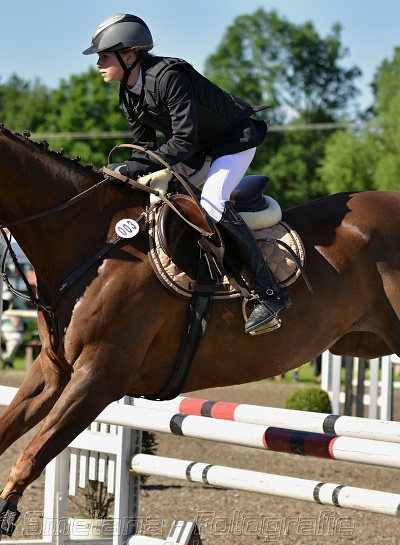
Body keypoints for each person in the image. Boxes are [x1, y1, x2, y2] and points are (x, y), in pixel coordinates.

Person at [84, 13, 291, 335]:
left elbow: (182, 140)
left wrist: (134, 166)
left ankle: (269, 293)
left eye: (104, 55)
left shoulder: (168, 76)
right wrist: (126, 170)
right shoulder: (128, 92)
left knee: (211, 204)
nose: (98, 63)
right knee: (150, 194)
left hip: (232, 141)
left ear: (129, 54)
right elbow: (144, 146)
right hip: (198, 151)